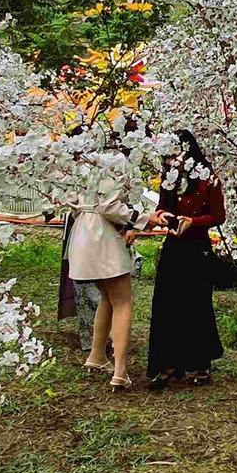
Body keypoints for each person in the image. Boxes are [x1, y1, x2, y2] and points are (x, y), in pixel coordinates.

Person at [65, 152, 162, 389]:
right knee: (123, 300)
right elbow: (109, 205)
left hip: (81, 233)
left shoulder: (81, 162)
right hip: (101, 235)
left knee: (107, 298)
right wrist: (143, 219)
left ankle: (97, 356)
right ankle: (120, 370)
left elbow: (70, 199)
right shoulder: (115, 162)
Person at [147, 130, 227, 390]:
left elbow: (218, 216)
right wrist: (163, 218)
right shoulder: (168, 178)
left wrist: (193, 221)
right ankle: (167, 363)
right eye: (168, 155)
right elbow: (163, 207)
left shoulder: (207, 179)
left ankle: (199, 363)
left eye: (175, 153)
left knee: (196, 305)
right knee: (166, 303)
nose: (172, 159)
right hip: (174, 246)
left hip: (198, 248)